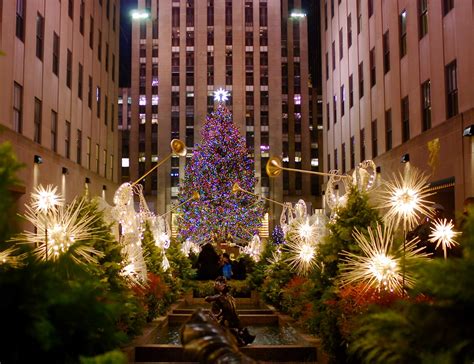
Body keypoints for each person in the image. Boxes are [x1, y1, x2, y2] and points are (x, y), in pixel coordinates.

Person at [205, 276, 256, 346]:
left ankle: (239, 337)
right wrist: (217, 317)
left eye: (223, 283)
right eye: (221, 283)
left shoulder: (227, 298)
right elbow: (223, 311)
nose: (223, 285)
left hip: (232, 322)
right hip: (229, 323)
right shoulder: (223, 298)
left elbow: (229, 311)